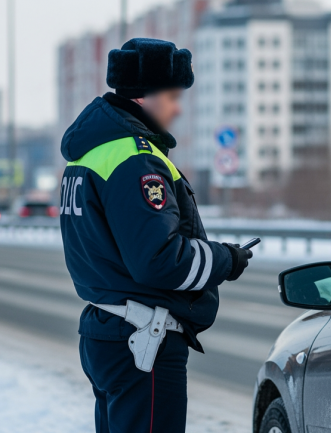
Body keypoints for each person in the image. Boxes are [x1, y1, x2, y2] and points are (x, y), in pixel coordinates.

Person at [58, 38, 253, 432]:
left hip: (107, 330)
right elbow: (158, 259)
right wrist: (225, 260)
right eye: (173, 96)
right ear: (147, 96)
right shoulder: (135, 158)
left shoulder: (89, 154)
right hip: (140, 339)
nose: (178, 107)